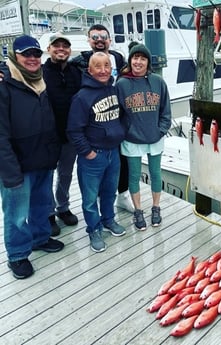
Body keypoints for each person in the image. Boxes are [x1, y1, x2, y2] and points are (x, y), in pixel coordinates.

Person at [0, 35, 64, 279]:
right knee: (16, 214)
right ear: (15, 56)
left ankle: (39, 238)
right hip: (17, 164)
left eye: (36, 54)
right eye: (26, 53)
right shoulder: (4, 83)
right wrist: (9, 170)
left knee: (41, 205)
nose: (32, 58)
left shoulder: (42, 80)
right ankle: (17, 255)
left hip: (43, 159)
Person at [67, 52, 126, 253]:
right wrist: (88, 152)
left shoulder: (114, 90)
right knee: (90, 198)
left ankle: (109, 219)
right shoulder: (81, 97)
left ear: (112, 68)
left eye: (106, 66)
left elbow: (122, 117)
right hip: (93, 156)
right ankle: (94, 228)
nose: (103, 70)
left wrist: (121, 135)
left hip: (113, 153)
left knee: (110, 192)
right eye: (98, 66)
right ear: (89, 70)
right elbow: (74, 130)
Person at [71, 24, 134, 213]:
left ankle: (122, 196)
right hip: (93, 121)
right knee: (92, 179)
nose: (99, 40)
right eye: (95, 37)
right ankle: (85, 212)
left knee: (121, 164)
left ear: (109, 39)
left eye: (103, 36)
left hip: (116, 121)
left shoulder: (118, 58)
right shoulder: (80, 62)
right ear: (89, 40)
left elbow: (133, 72)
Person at [116, 43, 171, 230]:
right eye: (135, 58)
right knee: (134, 175)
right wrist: (126, 131)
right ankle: (138, 210)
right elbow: (118, 114)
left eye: (142, 58)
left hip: (155, 137)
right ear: (130, 60)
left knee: (156, 173)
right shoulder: (122, 83)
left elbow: (166, 110)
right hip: (132, 139)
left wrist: (161, 130)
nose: (138, 62)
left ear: (148, 62)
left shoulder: (158, 82)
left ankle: (156, 207)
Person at [42, 32, 82, 236]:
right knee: (47, 176)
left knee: (65, 174)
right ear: (48, 49)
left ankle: (62, 207)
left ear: (69, 50)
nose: (61, 49)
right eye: (56, 45)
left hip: (70, 136)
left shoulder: (76, 71)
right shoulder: (40, 72)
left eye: (65, 46)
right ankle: (47, 213)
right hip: (48, 137)